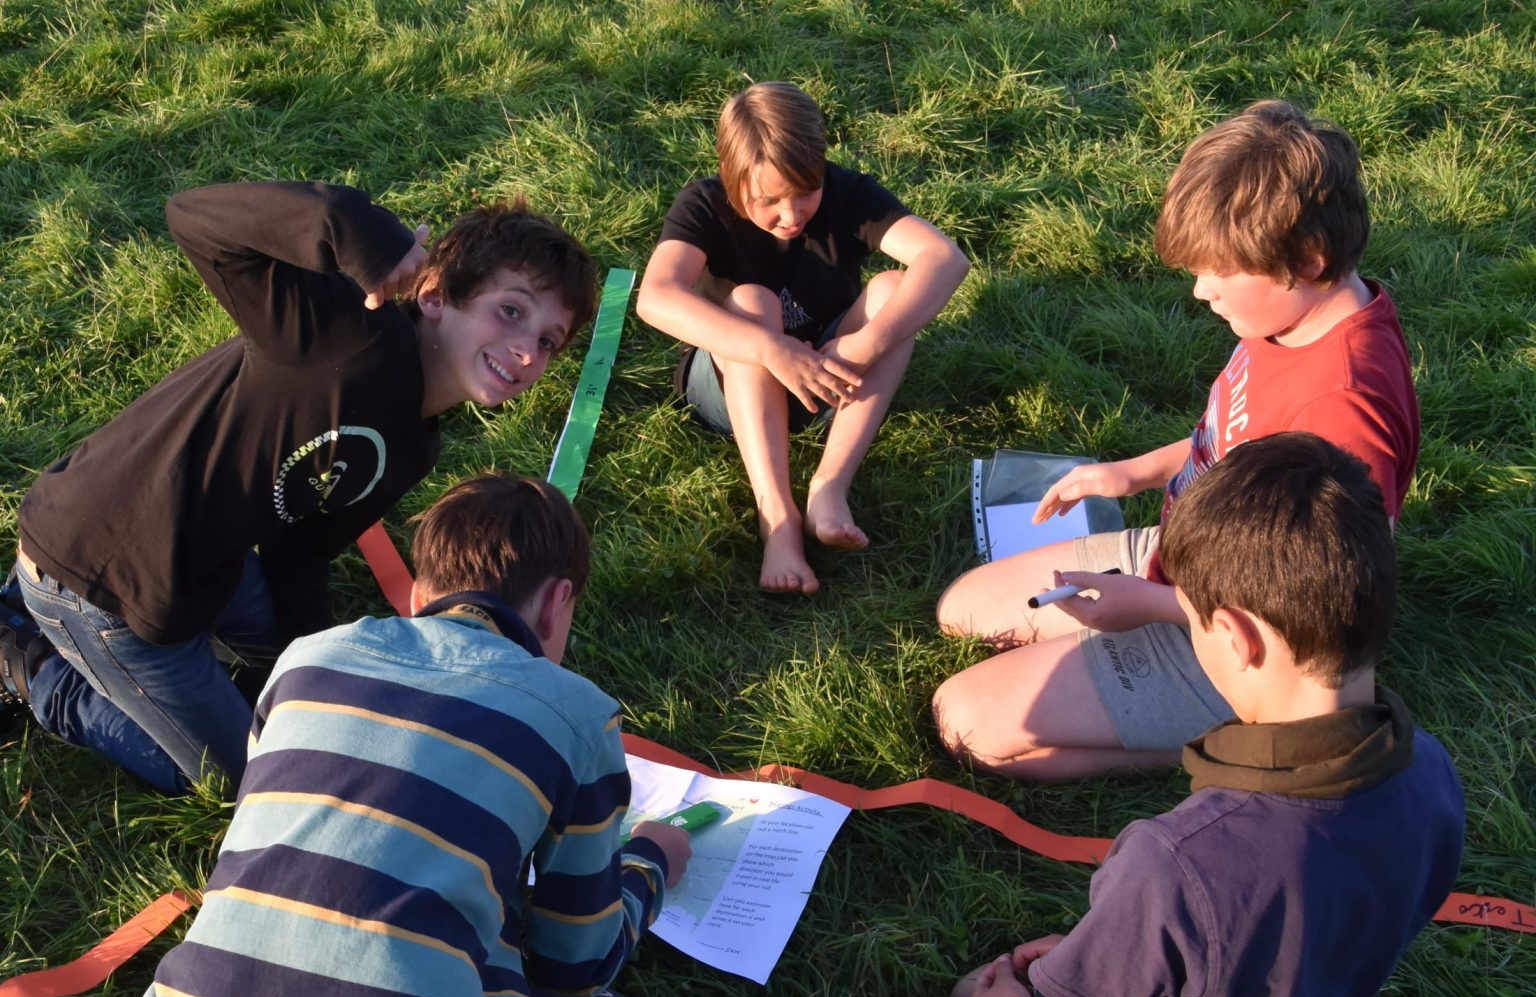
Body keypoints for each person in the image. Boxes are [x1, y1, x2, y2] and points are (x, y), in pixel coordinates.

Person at [881, 432, 1465, 997]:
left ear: (1239, 639)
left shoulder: (1174, 863)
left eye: (1190, 619)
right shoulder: (1430, 772)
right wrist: (1114, 952)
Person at [0, 181, 595, 792]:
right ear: (437, 294)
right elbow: (196, 219)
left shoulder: (417, 446)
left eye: (548, 341)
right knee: (242, 779)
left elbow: (302, 552)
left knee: (289, 674)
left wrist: (322, 669)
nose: (527, 352)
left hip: (207, 562)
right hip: (95, 572)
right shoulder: (342, 332)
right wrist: (350, 222)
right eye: (512, 311)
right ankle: (29, 661)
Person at [137, 472, 691, 997]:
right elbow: (576, 965)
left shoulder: (304, 660)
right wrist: (650, 864)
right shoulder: (577, 716)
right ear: (557, 601)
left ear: (422, 591)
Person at [933, 100, 1420, 781]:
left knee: (967, 723)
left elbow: (1311, 599)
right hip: (1184, 555)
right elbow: (1231, 439)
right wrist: (1130, 474)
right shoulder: (1285, 323)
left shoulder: (1343, 408)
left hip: (1238, 638)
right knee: (960, 610)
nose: (1199, 292)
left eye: (1220, 272)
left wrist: (1156, 609)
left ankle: (1250, 740)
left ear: (1306, 260)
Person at [637, 80, 969, 594]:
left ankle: (829, 486)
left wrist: (867, 344)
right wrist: (771, 349)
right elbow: (655, 295)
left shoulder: (847, 193)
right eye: (768, 200)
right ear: (732, 179)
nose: (791, 215)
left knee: (893, 290)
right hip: (731, 389)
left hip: (832, 374)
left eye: (806, 192)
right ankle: (779, 519)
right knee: (754, 303)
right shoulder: (704, 203)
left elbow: (945, 258)